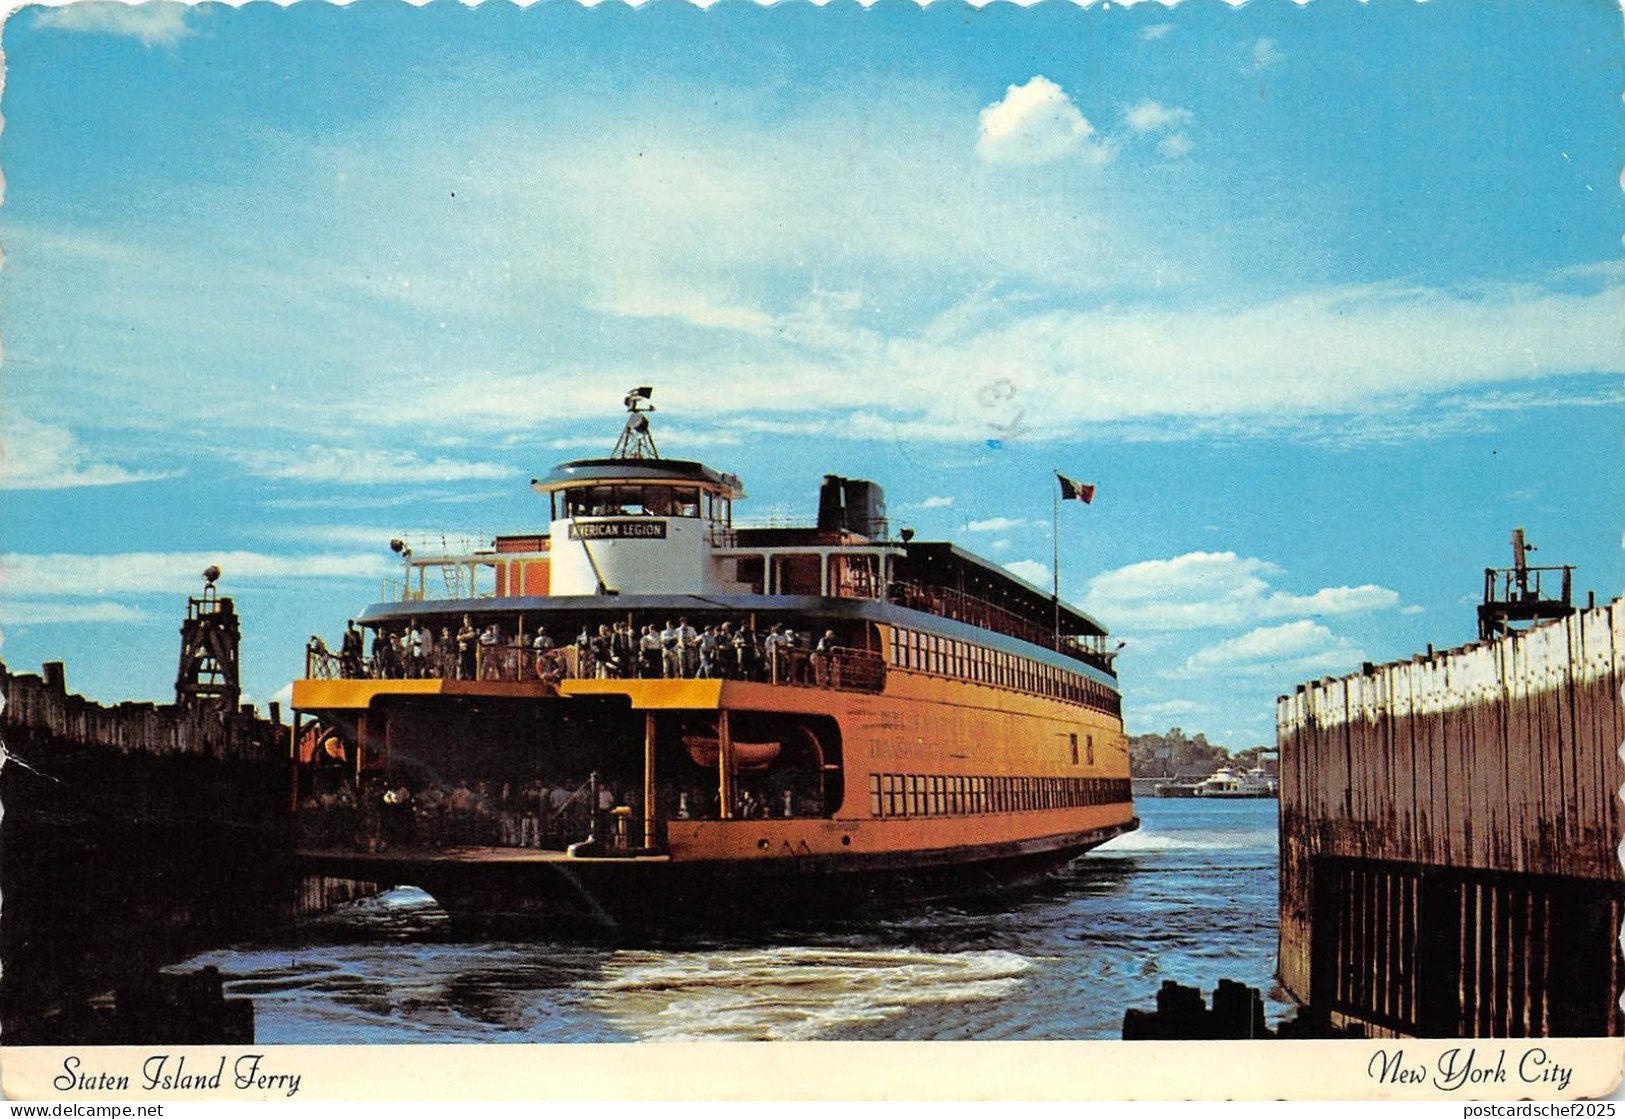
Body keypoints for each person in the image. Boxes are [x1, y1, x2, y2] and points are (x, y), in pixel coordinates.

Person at [456, 616, 478, 680]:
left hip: (471, 651)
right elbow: (458, 638)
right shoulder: (461, 629)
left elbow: (472, 634)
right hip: (463, 651)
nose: (467, 621)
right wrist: (463, 639)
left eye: (468, 620)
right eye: (465, 620)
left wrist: (463, 637)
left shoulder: (472, 628)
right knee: (461, 666)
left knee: (470, 667)